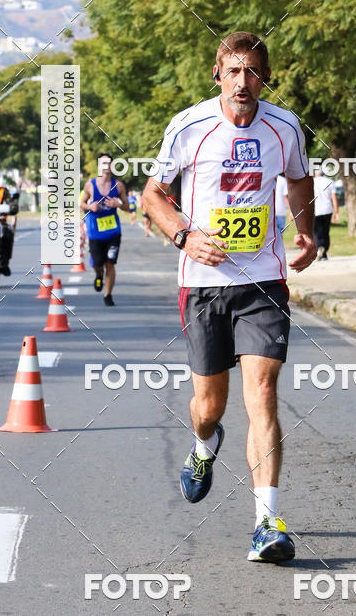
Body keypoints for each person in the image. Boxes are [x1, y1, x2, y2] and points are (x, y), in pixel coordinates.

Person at [142, 30, 316, 564]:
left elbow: (299, 180)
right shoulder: (189, 127)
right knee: (209, 407)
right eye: (234, 71)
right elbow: (152, 194)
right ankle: (203, 444)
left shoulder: (285, 127)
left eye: (254, 71)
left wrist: (307, 231)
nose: (244, 81)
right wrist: (184, 236)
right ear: (217, 75)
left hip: (263, 279)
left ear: (266, 77)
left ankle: (266, 522)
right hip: (203, 285)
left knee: (261, 393)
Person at [80, 153, 129, 306]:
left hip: (113, 231)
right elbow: (81, 203)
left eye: (109, 163)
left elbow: (128, 207)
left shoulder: (119, 186)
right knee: (97, 264)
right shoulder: (90, 184)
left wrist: (119, 204)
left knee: (110, 263)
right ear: (98, 165)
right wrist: (90, 206)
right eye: (103, 163)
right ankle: (98, 276)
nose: (106, 165)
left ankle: (108, 295)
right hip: (95, 231)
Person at [312, 168, 339, 260]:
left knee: (316, 231)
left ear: (315, 173)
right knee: (325, 231)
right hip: (328, 209)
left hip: (315, 210)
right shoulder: (330, 181)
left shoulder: (312, 182)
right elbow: (334, 197)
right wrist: (337, 211)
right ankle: (324, 252)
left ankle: (319, 248)